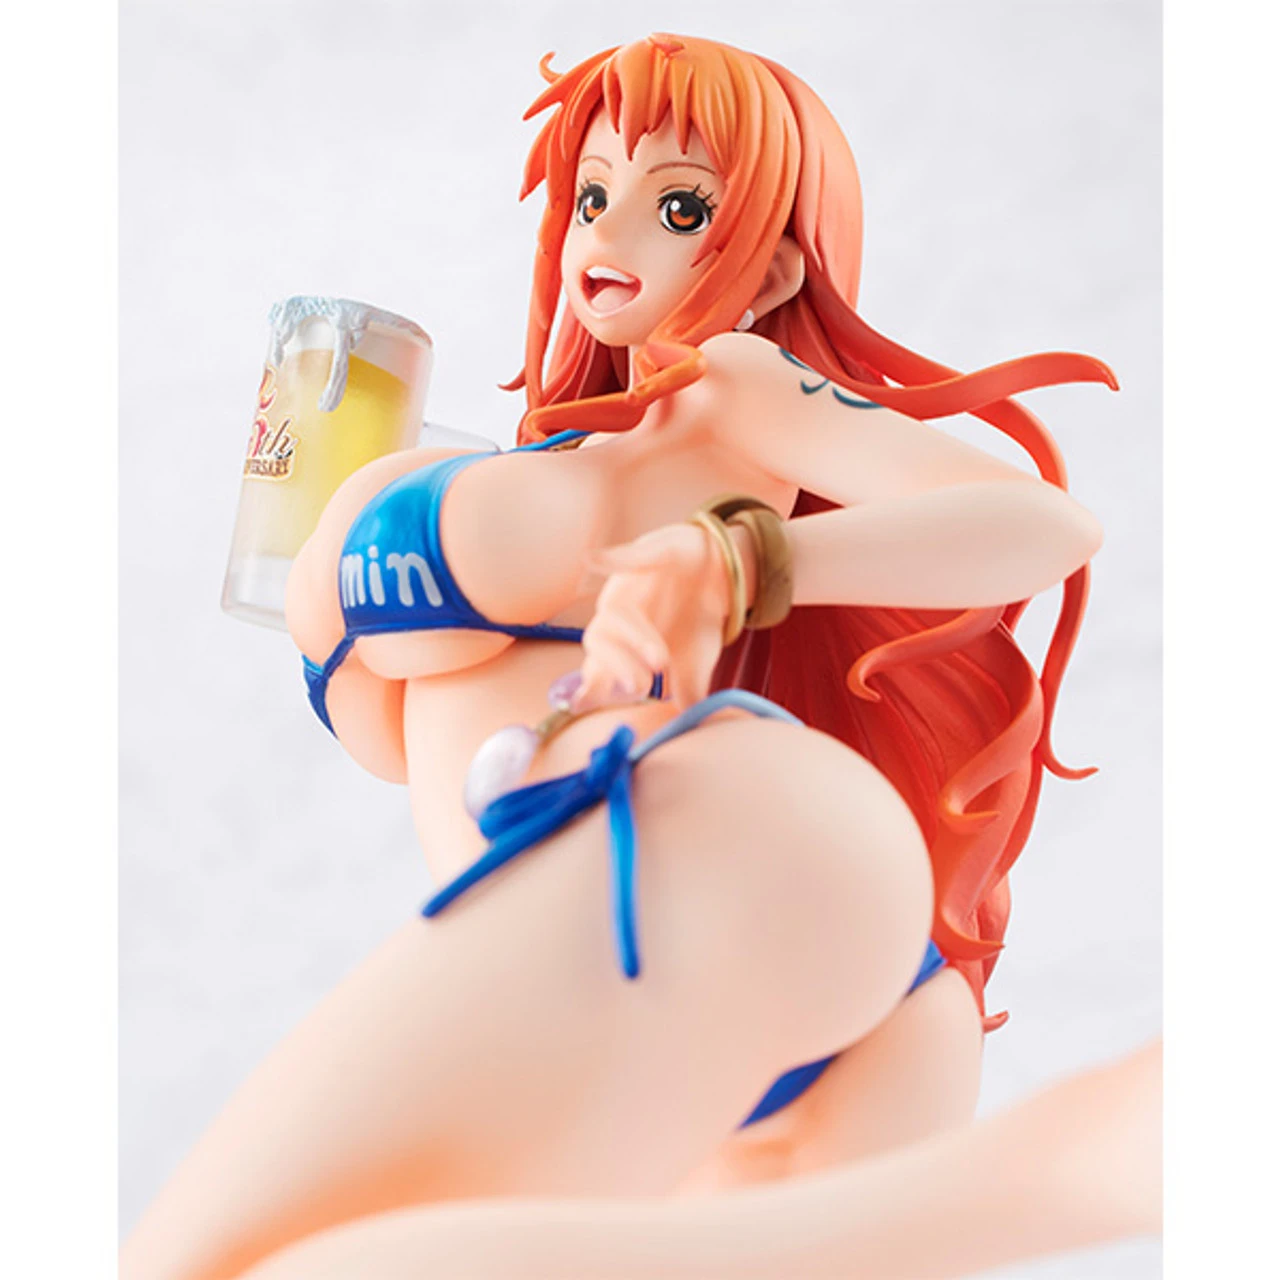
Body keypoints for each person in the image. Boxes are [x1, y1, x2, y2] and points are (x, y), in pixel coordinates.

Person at [122, 34, 1155, 1280]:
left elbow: (1039, 525)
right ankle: (1045, 1177)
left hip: (666, 853)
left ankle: (1060, 1168)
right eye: (591, 195)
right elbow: (403, 748)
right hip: (686, 926)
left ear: (770, 265)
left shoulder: (728, 387)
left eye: (678, 208)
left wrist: (742, 559)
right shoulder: (549, 456)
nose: (607, 234)